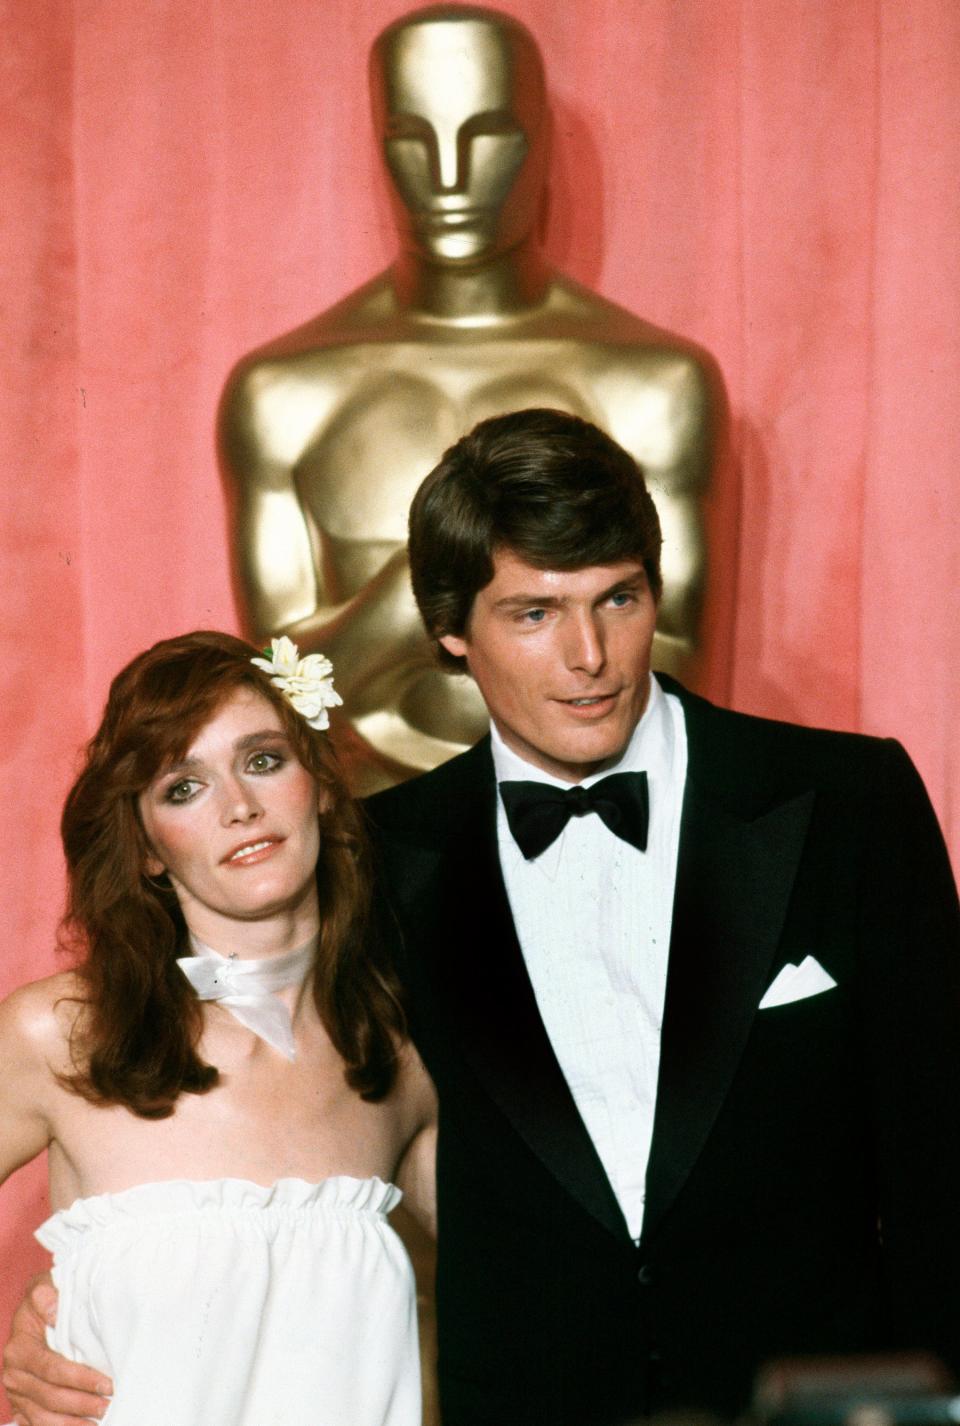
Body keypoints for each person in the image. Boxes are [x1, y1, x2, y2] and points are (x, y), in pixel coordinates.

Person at [8, 411, 960, 1424]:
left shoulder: (848, 802)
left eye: (618, 600)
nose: (589, 654)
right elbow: (268, 1141)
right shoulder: (372, 863)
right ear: (452, 631)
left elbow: (944, 1160)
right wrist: (77, 1308)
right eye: (534, 614)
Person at [218, 3, 725, 793]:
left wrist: (407, 625)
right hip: (375, 840)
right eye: (412, 140)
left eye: (487, 134)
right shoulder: (283, 392)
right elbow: (282, 700)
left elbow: (678, 661)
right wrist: (422, 598)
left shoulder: (655, 381)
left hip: (600, 812)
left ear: (541, 141)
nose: (449, 177)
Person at [0, 631, 435, 1426]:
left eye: (264, 760)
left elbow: (542, 1290)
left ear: (322, 787)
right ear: (148, 852)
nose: (239, 806)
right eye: (183, 788)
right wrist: (23, 1356)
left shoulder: (403, 1059)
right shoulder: (59, 1034)